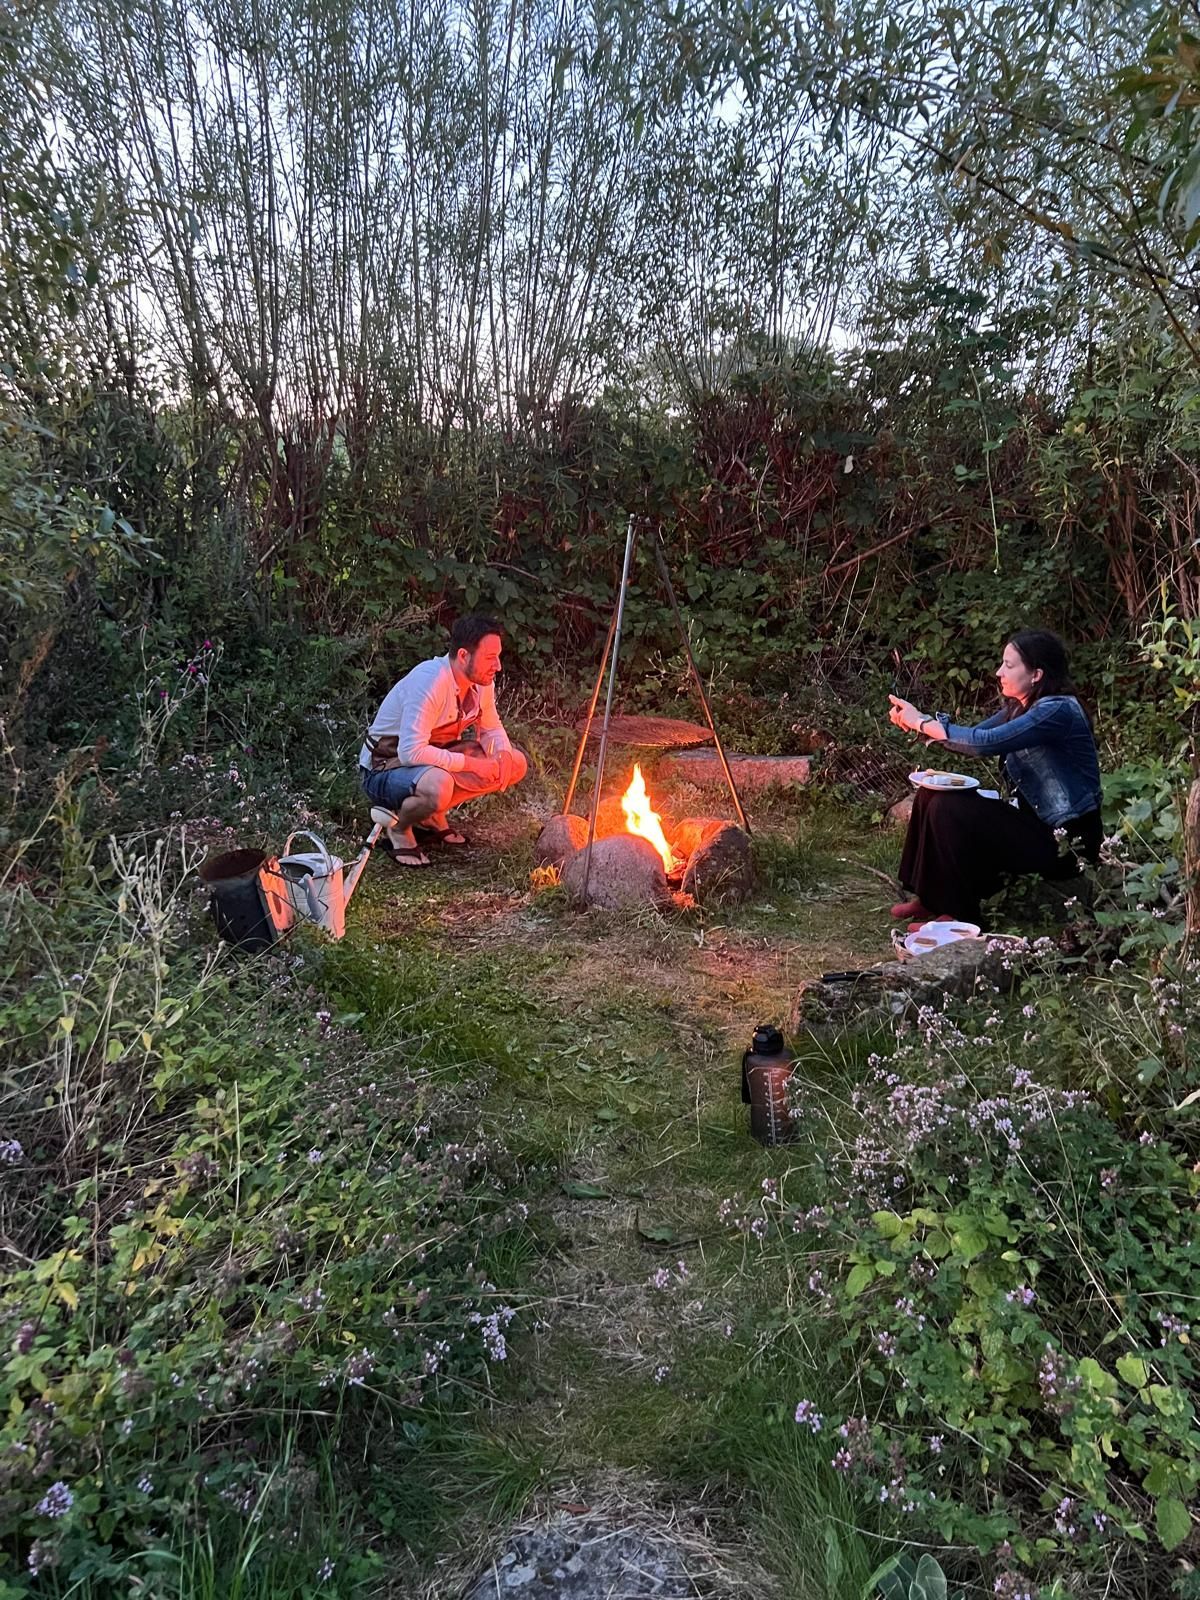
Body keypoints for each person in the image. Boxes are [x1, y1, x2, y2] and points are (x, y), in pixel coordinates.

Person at [886, 628, 1103, 925]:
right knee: (930, 794)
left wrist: (923, 723)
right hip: (1034, 825)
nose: (999, 672)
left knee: (948, 808)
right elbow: (972, 738)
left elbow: (986, 742)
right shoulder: (1019, 706)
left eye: (1009, 665)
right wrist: (918, 723)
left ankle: (960, 916)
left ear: (1036, 674)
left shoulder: (1057, 710)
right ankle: (930, 899)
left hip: (1068, 842)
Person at [359, 614, 528, 868]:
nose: (498, 666)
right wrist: (472, 765)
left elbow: (492, 727)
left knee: (515, 763)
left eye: (498, 656)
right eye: (490, 658)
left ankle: (431, 814)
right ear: (463, 656)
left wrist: (501, 752)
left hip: (430, 763)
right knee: (439, 784)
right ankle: (400, 828)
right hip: (384, 768)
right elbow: (409, 753)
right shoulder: (431, 681)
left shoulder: (482, 683)